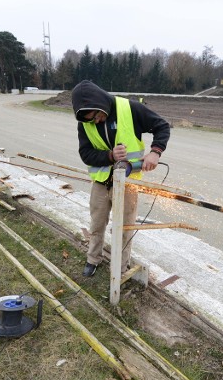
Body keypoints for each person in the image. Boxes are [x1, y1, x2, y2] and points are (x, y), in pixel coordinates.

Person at [71, 80, 170, 277]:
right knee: (97, 225)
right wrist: (110, 156)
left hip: (128, 183)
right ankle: (93, 259)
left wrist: (155, 152)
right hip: (101, 182)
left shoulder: (130, 109)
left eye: (97, 116)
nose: (96, 122)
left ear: (100, 104)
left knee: (124, 228)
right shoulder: (85, 123)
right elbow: (85, 154)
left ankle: (119, 267)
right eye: (90, 120)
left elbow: (162, 126)